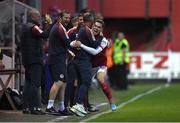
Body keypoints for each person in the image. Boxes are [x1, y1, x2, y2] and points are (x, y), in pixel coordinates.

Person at [74, 19, 117, 111]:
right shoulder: (87, 34)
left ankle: (111, 101)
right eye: (95, 26)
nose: (96, 28)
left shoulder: (104, 40)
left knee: (101, 80)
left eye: (99, 27)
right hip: (89, 64)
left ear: (102, 29)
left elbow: (95, 52)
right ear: (92, 26)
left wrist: (81, 45)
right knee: (85, 83)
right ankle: (85, 106)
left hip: (101, 64)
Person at [69, 13, 102, 117]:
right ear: (91, 22)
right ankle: (78, 104)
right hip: (83, 60)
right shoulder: (86, 30)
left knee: (80, 83)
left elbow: (73, 43)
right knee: (86, 82)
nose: (95, 27)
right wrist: (100, 38)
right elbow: (94, 45)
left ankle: (76, 106)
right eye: (94, 24)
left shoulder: (83, 30)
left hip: (78, 59)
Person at [20, 9, 52, 115]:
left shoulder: (24, 27)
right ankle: (35, 107)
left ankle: (26, 107)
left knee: (28, 83)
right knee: (35, 84)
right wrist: (50, 24)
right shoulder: (33, 27)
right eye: (38, 16)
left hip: (27, 59)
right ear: (32, 16)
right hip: (34, 59)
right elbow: (45, 34)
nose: (40, 17)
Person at [45, 11, 72, 115]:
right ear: (60, 18)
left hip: (59, 59)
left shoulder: (57, 27)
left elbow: (64, 44)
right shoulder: (59, 28)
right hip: (56, 59)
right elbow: (68, 43)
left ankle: (62, 107)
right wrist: (78, 45)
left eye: (68, 18)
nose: (67, 20)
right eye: (66, 17)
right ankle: (49, 106)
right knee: (59, 82)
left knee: (63, 83)